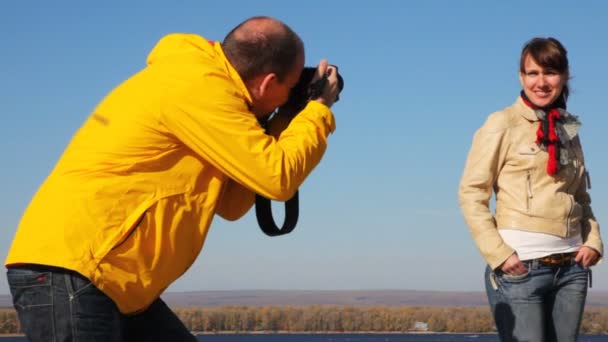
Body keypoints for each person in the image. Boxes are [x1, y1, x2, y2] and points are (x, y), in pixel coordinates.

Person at [5, 16, 341, 341]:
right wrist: (318, 109)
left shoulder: (211, 96)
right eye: (291, 86)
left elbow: (233, 203)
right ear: (267, 82)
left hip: (113, 281)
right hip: (78, 271)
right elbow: (277, 177)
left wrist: (284, 117)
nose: (294, 93)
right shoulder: (200, 87)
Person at [458, 37, 603, 341]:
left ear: (564, 76)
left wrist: (593, 241)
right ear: (521, 77)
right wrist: (498, 254)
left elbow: (579, 194)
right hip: (520, 270)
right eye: (532, 73)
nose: (541, 82)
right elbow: (472, 194)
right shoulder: (501, 123)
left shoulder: (569, 127)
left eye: (549, 73)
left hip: (572, 269)